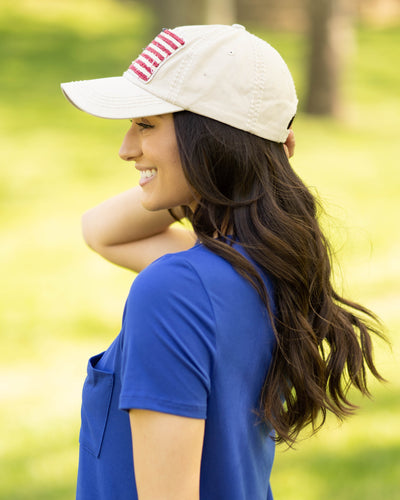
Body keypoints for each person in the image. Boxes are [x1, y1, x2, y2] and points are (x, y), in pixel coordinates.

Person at [61, 24, 385, 500]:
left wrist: (212, 170)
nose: (127, 148)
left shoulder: (175, 290)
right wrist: (224, 171)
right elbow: (100, 231)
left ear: (211, 138)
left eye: (146, 124)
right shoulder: (262, 270)